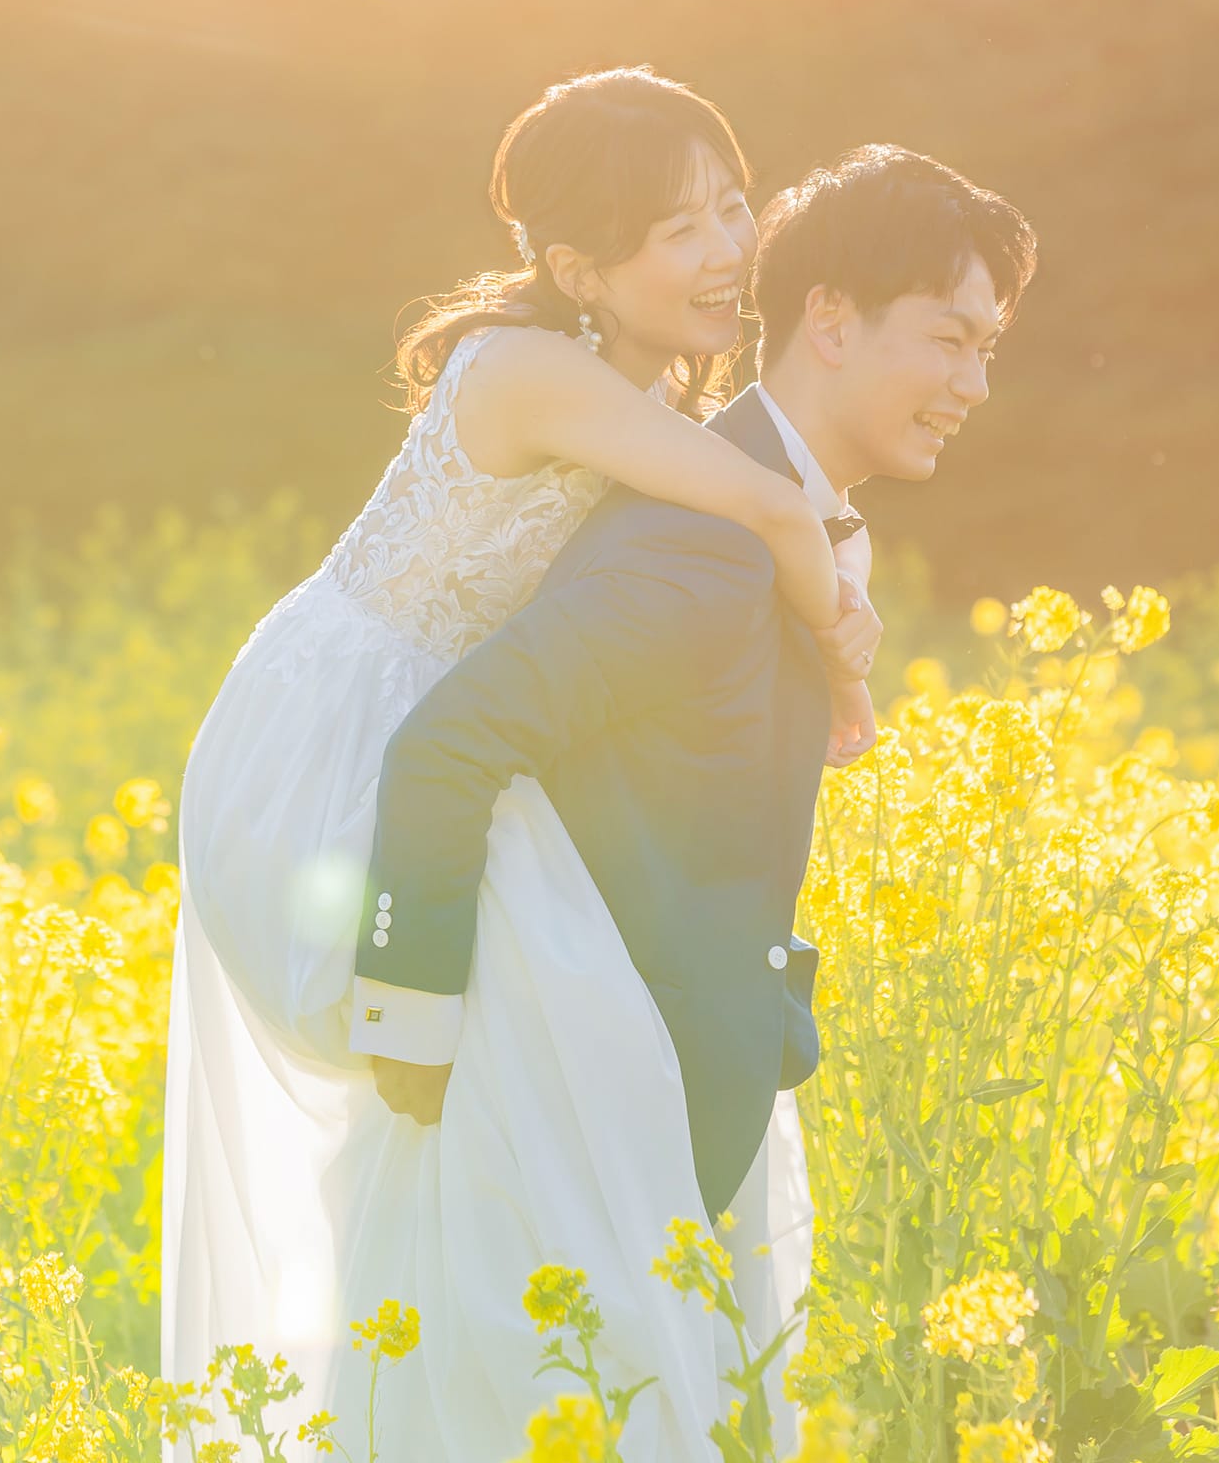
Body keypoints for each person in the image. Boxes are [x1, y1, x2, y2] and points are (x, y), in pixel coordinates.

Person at [160, 70, 882, 1441]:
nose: (729, 250)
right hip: (332, 742)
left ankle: (502, 1389)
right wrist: (846, 664)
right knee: (551, 1044)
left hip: (428, 733)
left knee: (535, 1074)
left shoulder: (633, 386)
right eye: (679, 230)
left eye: (734, 207)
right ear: (576, 269)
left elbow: (782, 516)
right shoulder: (533, 371)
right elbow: (776, 509)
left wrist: (830, 590)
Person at [347, 142, 1036, 1458]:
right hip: (578, 1124)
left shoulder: (766, 518)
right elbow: (443, 749)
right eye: (951, 339)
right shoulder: (705, 545)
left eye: (988, 348)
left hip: (667, 1115)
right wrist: (417, 1046)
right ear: (828, 319)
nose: (976, 384)